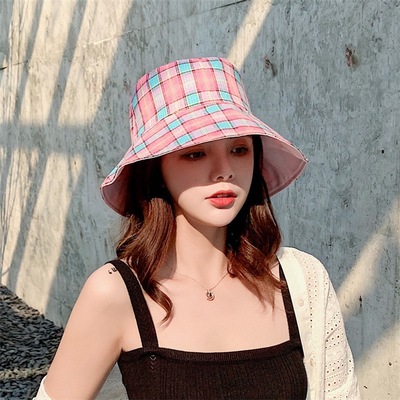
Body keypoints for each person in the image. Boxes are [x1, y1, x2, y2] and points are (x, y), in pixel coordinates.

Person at [34, 57, 360, 399]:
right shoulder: (115, 292)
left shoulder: (302, 280)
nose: (224, 170)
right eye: (195, 154)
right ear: (156, 169)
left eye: (239, 149)